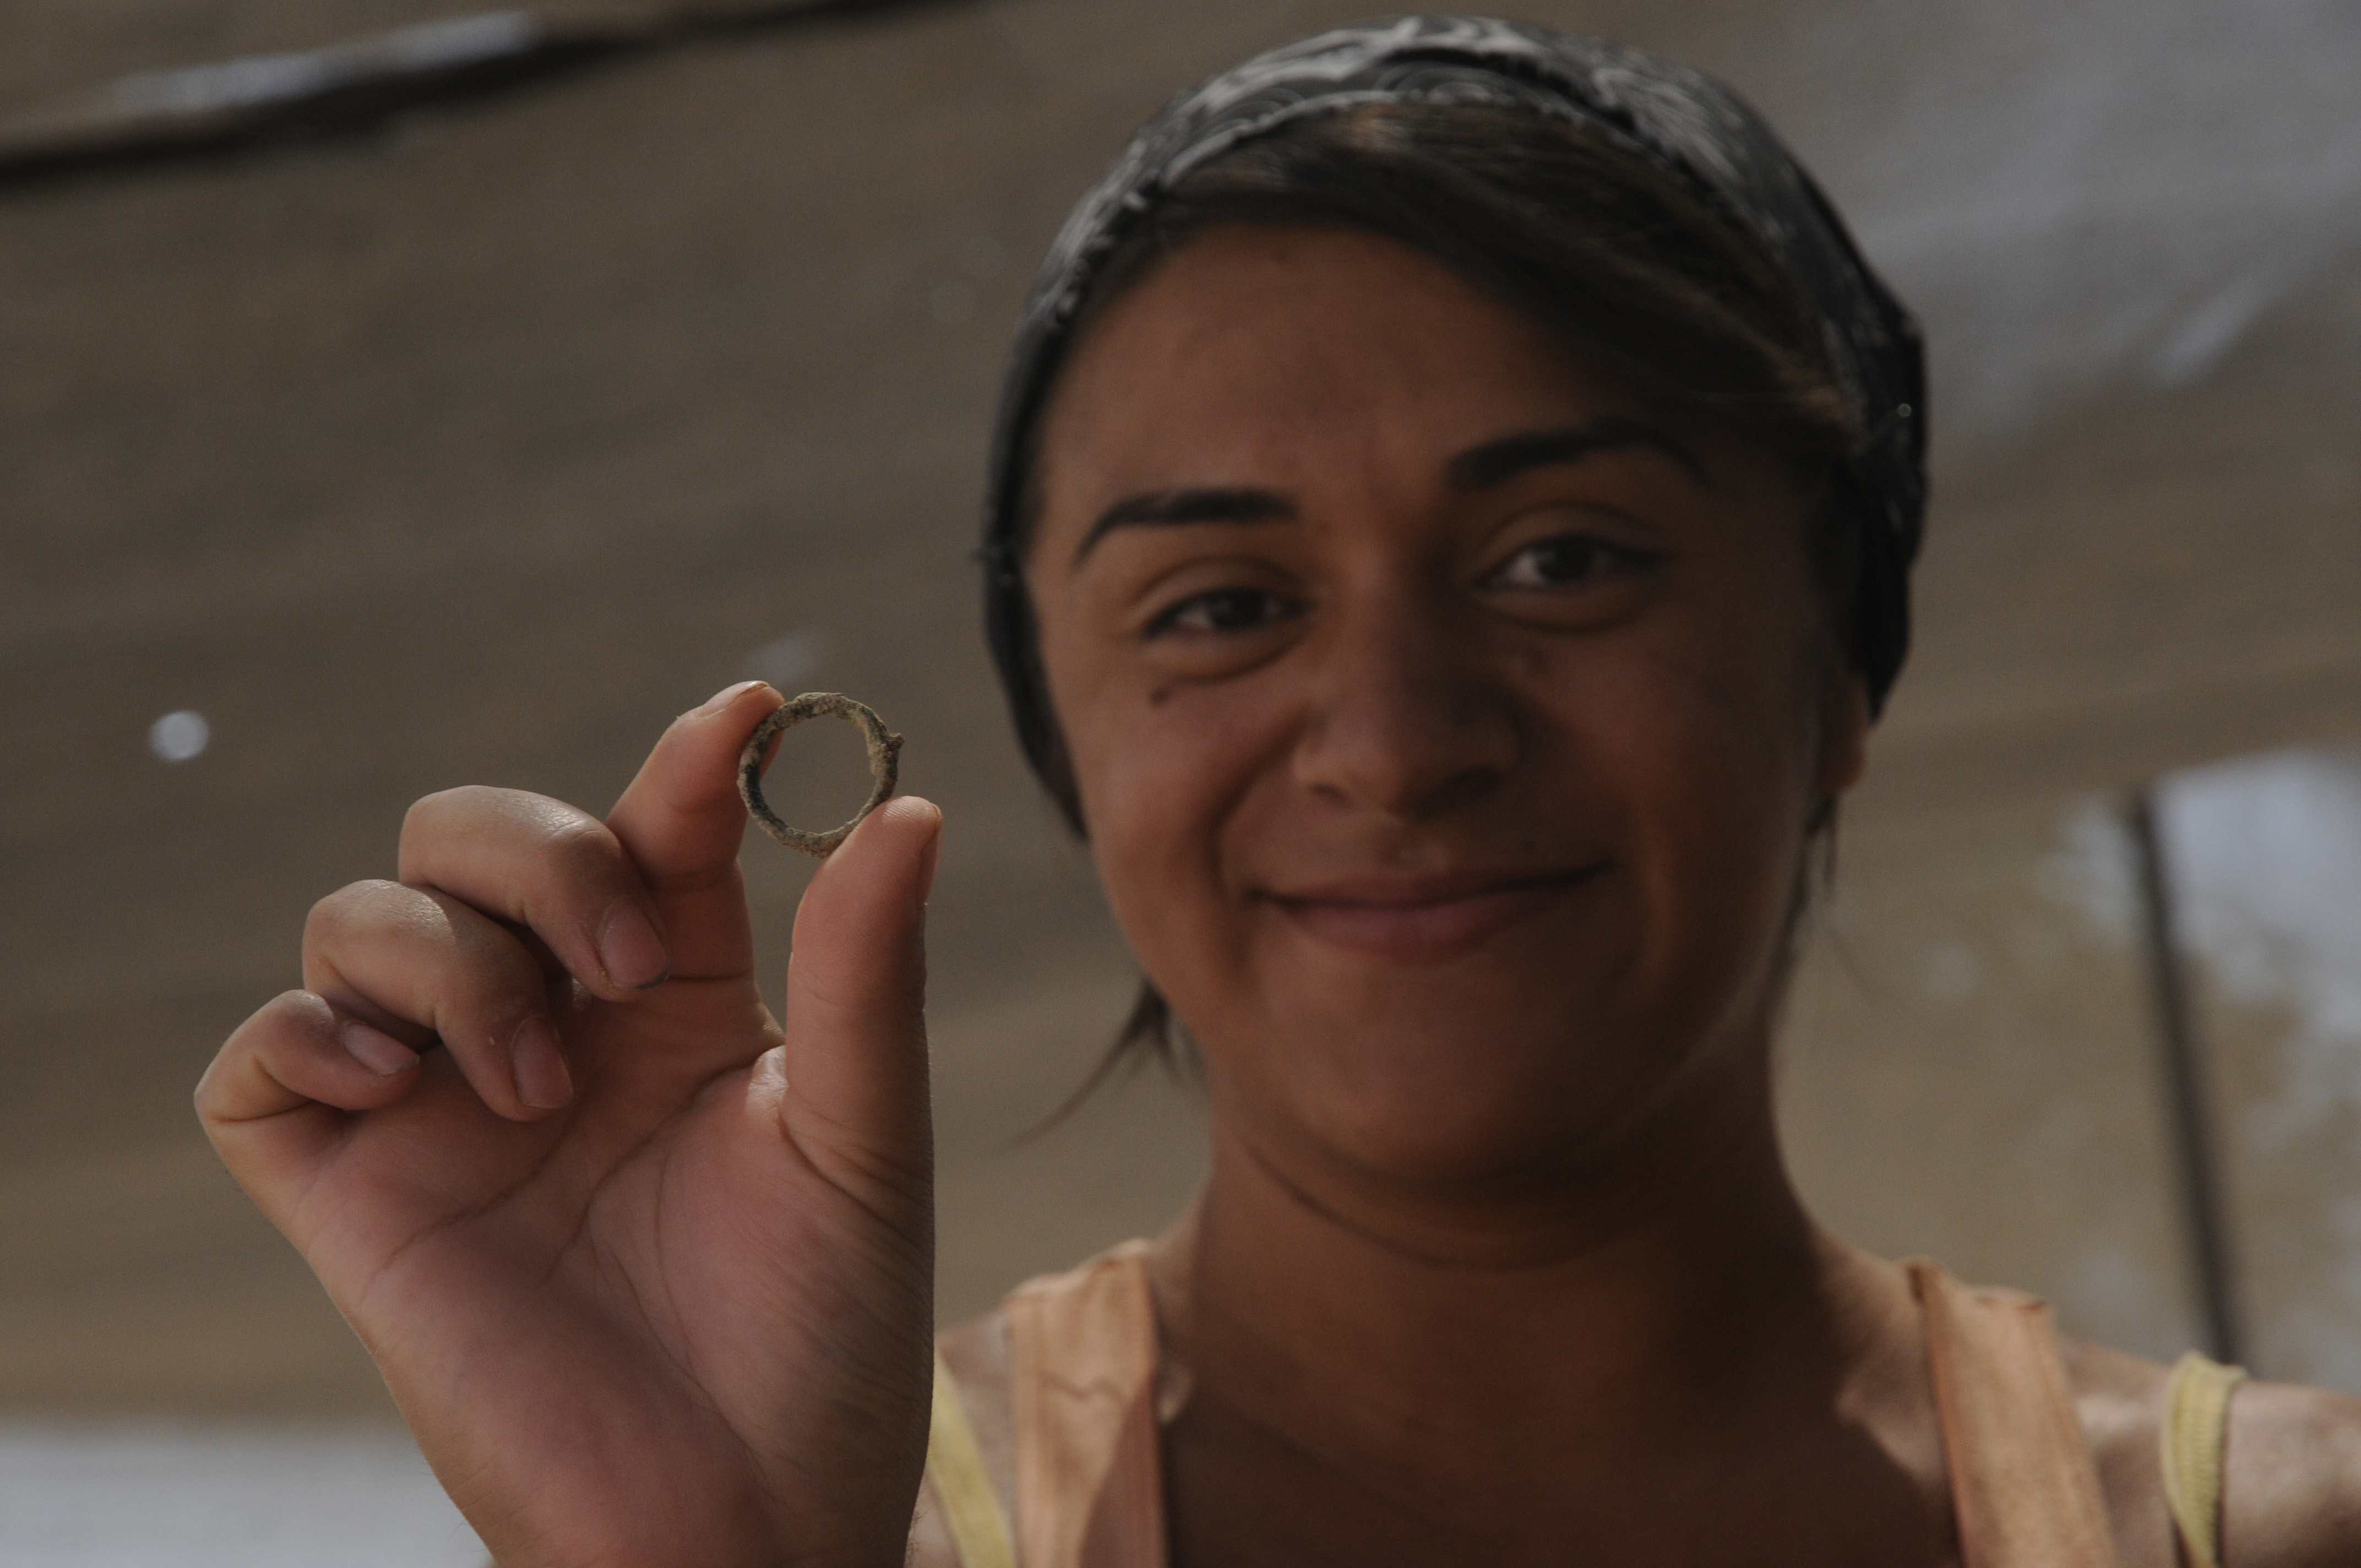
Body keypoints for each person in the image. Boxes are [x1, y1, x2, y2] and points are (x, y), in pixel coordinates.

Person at [196, 18, 2361, 1567]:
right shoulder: (843, 1531)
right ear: (1062, 732)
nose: (1399, 739)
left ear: (1840, 667)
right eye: (1220, 606)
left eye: (1561, 560)